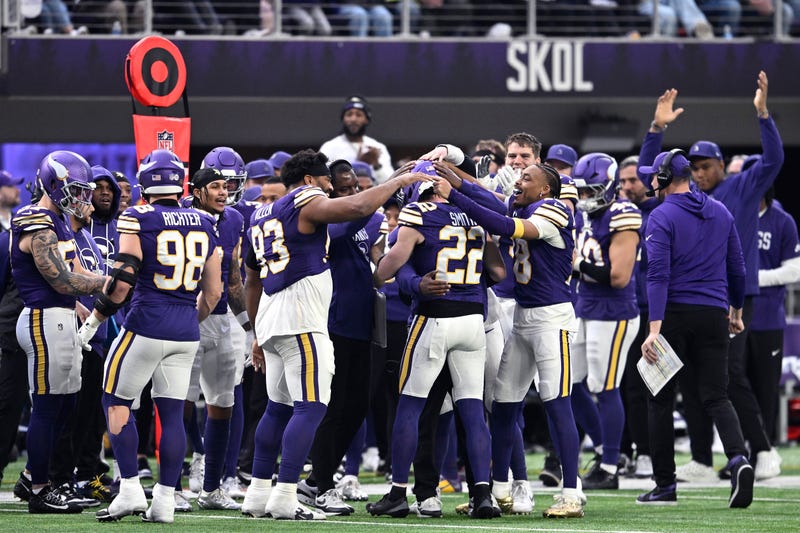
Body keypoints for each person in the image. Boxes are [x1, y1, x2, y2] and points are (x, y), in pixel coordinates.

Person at [239, 149, 427, 520]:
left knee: (278, 408)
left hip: (273, 318)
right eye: (326, 180)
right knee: (312, 407)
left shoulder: (261, 213)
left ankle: (258, 493)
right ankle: (287, 495)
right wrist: (401, 181)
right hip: (302, 317)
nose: (329, 187)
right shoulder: (306, 198)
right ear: (309, 180)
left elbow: (251, 279)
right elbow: (356, 210)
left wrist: (257, 329)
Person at [640, 72, 783, 482]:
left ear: (720, 165)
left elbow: (773, 161)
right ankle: (707, 457)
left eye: (707, 166)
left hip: (722, 298)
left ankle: (761, 449)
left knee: (724, 378)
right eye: (696, 167)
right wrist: (657, 128)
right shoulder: (709, 206)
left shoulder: (738, 189)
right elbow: (653, 174)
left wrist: (763, 115)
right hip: (720, 300)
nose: (701, 173)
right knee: (703, 385)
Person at [433, 162, 586, 518]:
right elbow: (487, 198)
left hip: (553, 319)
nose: (519, 181)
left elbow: (503, 224)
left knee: (556, 403)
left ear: (546, 189)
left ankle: (571, 493)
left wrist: (451, 193)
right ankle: (500, 490)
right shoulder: (524, 203)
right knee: (503, 404)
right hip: (523, 317)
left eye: (527, 178)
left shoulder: (555, 208)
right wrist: (452, 176)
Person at [78, 148, 223, 523]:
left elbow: (123, 282)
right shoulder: (206, 221)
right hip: (185, 330)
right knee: (171, 413)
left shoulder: (136, 216)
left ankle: (128, 489)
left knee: (115, 399)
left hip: (145, 323)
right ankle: (164, 501)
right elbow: (213, 293)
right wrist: (186, 318)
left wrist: (94, 319)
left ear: (145, 181)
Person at [369, 160, 505, 519]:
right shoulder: (475, 215)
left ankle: (398, 491)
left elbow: (384, 272)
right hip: (474, 322)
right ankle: (482, 495)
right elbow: (498, 271)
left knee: (410, 407)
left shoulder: (417, 213)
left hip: (435, 319)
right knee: (473, 411)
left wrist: (387, 262)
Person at [637, 149, 754, 508]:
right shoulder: (720, 211)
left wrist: (654, 328)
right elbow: (738, 268)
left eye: (654, 176)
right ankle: (738, 459)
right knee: (717, 396)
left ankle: (665, 485)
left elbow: (658, 274)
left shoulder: (661, 215)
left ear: (665, 178)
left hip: (673, 314)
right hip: (714, 313)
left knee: (659, 399)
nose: (650, 182)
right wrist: (735, 310)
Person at [10, 150, 108, 513]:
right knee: (48, 407)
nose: (84, 198)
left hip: (63, 318)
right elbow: (64, 280)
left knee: (65, 403)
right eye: (78, 190)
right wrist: (111, 280)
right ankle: (38, 489)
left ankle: (33, 475)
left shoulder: (61, 220)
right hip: (42, 318)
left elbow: (79, 271)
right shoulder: (36, 220)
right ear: (55, 184)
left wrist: (97, 295)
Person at [298, 159, 387, 514]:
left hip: (362, 320)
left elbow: (376, 260)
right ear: (329, 190)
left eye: (355, 189)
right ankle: (322, 484)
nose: (352, 194)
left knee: (357, 406)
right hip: (333, 320)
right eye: (345, 189)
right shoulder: (323, 220)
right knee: (332, 408)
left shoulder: (370, 219)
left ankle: (314, 481)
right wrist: (383, 192)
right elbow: (345, 229)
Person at [571, 152, 641, 490]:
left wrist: (576, 266)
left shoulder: (623, 214)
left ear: (610, 186)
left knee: (605, 387)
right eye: (581, 191)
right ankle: (602, 450)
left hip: (613, 312)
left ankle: (612, 466)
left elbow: (618, 276)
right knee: (568, 384)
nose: (585, 197)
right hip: (585, 307)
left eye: (592, 190)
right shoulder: (587, 216)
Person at [182, 165, 247, 511]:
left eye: (228, 186)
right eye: (217, 186)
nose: (224, 192)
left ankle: (212, 488)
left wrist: (249, 327)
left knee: (223, 403)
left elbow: (234, 277)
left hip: (220, 318)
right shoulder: (178, 215)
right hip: (184, 315)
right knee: (177, 401)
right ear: (198, 190)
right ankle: (172, 485)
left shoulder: (234, 219)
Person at [748, 187, 800, 448]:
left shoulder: (782, 220)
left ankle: (762, 450)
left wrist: (755, 279)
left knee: (765, 389)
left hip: (767, 317)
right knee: (735, 386)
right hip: (733, 315)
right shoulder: (733, 216)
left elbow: (795, 270)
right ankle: (741, 451)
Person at [617, 155, 658, 479]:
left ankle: (647, 452)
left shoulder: (659, 213)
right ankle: (624, 451)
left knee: (647, 385)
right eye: (622, 181)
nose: (627, 187)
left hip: (653, 310)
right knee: (622, 385)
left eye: (633, 180)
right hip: (625, 307)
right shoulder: (616, 215)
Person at [319, 95, 395, 184]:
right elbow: (322, 181)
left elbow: (390, 182)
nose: (353, 119)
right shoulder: (329, 147)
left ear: (366, 119)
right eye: (349, 114)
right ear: (343, 119)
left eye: (359, 115)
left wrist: (376, 164)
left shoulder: (378, 147)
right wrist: (359, 164)